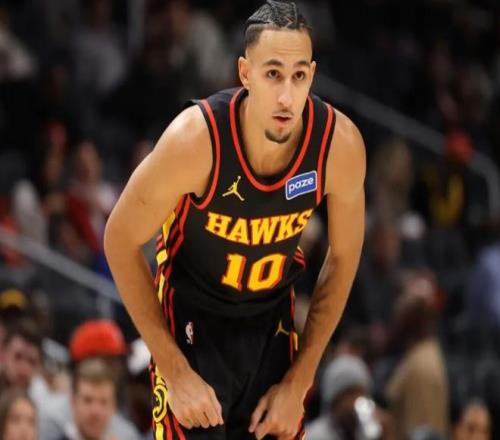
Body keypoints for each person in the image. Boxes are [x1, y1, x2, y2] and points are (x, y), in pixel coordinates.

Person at [104, 1, 366, 439]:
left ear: (313, 76)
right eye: (273, 74)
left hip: (272, 323)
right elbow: (119, 238)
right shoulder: (195, 140)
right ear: (245, 73)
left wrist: (299, 382)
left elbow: (344, 255)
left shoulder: (339, 146)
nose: (286, 96)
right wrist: (173, 369)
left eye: (299, 76)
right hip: (193, 323)